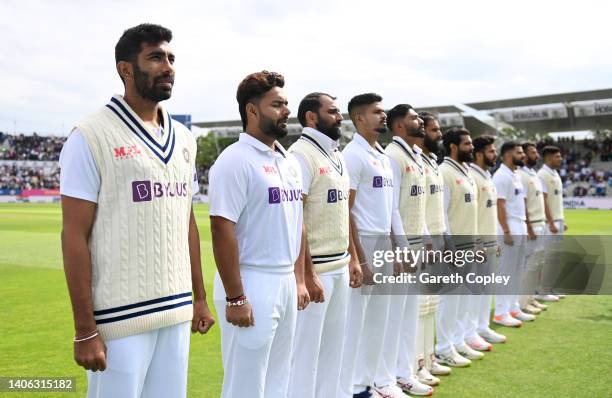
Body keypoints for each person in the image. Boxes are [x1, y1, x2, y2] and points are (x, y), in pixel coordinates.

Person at [60, 24, 214, 398]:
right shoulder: (90, 135)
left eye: (171, 58)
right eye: (156, 57)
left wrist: (198, 297)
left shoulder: (184, 138)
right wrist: (85, 329)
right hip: (119, 319)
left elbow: (186, 223)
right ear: (126, 69)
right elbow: (74, 236)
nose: (168, 66)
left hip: (176, 311)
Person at [209, 71, 306, 398]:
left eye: (286, 103)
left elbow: (296, 221)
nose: (286, 111)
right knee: (245, 385)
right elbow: (222, 229)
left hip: (284, 281)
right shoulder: (234, 161)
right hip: (251, 280)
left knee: (279, 378)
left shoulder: (289, 160)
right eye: (277, 104)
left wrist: (298, 278)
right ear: (252, 111)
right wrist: (236, 297)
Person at [287, 92, 363, 398]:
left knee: (334, 347)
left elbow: (344, 211)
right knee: (305, 353)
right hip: (316, 270)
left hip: (340, 265)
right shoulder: (300, 154)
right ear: (311, 117)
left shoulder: (338, 154)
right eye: (332, 112)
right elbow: (296, 219)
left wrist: (354, 259)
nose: (340, 117)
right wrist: (306, 274)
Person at [339, 93, 394, 398]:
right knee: (355, 322)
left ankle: (368, 384)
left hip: (383, 243)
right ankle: (348, 388)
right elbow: (346, 210)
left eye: (384, 111)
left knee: (378, 322)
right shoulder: (353, 155)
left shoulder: (382, 155)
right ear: (359, 118)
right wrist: (358, 257)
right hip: (364, 245)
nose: (382, 116)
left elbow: (389, 209)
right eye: (377, 112)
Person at [379, 104, 433, 397]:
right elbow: (392, 210)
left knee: (408, 315)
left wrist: (425, 238)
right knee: (392, 318)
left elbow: (416, 206)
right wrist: (401, 248)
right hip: (399, 250)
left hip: (414, 246)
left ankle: (404, 373)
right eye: (413, 117)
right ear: (398, 125)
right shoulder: (392, 156)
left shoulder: (415, 156)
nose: (420, 121)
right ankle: (383, 379)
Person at [435, 127, 483, 367]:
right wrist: (450, 248)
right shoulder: (444, 172)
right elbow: (441, 215)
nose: (472, 148)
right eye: (467, 144)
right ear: (453, 147)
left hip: (470, 246)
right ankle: (443, 347)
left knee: (463, 298)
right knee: (450, 299)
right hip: (454, 248)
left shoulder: (467, 171)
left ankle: (458, 340)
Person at [414, 112, 452, 380]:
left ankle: (428, 357)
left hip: (437, 238)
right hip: (423, 241)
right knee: (419, 306)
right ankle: (416, 363)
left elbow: (439, 209)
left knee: (431, 305)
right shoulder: (416, 162)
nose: (439, 134)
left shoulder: (433, 163)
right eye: (434, 130)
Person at [469, 135, 507, 346]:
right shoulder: (472, 176)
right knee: (475, 292)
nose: (495, 155)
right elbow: (471, 215)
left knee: (486, 290)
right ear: (479, 154)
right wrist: (478, 243)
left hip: (491, 243)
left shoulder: (487, 175)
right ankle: (471, 332)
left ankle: (482, 328)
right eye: (491, 151)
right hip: (478, 245)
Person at [492, 141, 535, 327]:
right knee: (506, 271)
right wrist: (507, 230)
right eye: (519, 153)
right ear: (508, 155)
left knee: (517, 270)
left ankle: (513, 307)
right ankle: (501, 313)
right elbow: (499, 205)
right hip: (508, 227)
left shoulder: (515, 174)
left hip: (520, 225)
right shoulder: (501, 176)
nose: (523, 155)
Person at [517, 142, 548, 313]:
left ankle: (531, 298)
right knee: (528, 266)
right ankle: (522, 303)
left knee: (536, 265)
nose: (536, 155)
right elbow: (523, 203)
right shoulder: (521, 175)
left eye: (536, 152)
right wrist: (528, 227)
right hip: (532, 225)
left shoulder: (532, 173)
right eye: (532, 152)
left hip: (540, 223)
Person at [536, 145, 568, 301]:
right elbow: (543, 200)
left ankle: (549, 287)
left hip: (558, 220)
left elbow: (557, 201)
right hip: (550, 223)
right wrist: (551, 222)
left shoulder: (555, 174)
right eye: (557, 156)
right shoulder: (542, 175)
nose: (560, 159)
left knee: (555, 257)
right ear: (548, 158)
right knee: (547, 257)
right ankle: (542, 290)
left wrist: (562, 220)